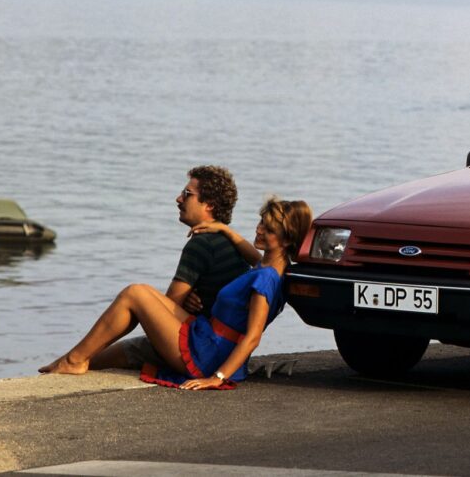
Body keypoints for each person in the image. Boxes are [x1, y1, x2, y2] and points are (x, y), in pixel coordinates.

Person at [40, 197, 312, 390]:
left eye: (268, 229)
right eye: (261, 222)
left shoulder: (265, 278)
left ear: (287, 239)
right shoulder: (273, 268)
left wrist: (217, 378)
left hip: (208, 354)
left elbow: (252, 337)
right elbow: (253, 254)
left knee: (135, 293)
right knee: (142, 296)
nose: (259, 230)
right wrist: (224, 229)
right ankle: (73, 359)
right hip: (206, 337)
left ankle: (73, 360)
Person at [98, 166, 253, 370]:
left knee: (99, 356)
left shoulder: (202, 243)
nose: (179, 199)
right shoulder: (231, 243)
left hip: (198, 349)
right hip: (225, 350)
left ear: (209, 205)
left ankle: (71, 361)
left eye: (187, 194)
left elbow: (167, 309)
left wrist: (180, 302)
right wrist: (186, 300)